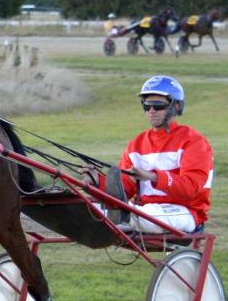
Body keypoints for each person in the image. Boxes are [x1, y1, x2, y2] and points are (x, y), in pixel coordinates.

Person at [83, 76, 214, 234]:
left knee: (137, 214)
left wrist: (153, 177)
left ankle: (122, 216)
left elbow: (192, 188)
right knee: (89, 208)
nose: (151, 111)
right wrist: (97, 182)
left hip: (186, 212)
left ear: (177, 106)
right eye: (147, 105)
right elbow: (124, 189)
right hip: (144, 211)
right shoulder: (136, 144)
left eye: (158, 106)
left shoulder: (194, 141)